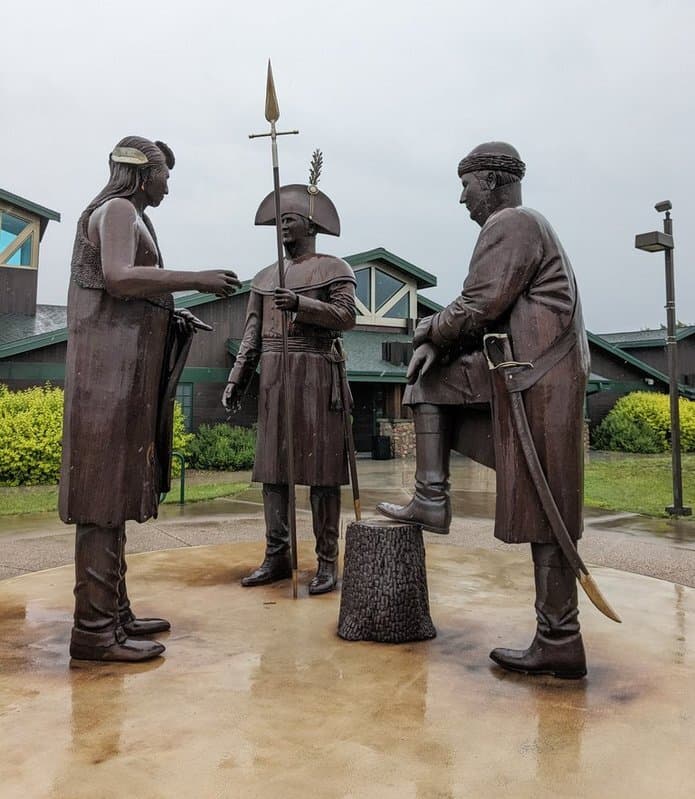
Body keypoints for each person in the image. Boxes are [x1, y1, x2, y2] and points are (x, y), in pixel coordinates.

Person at [377, 141, 590, 679]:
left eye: (466, 185)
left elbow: (479, 304)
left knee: (549, 505)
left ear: (492, 180)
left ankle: (432, 500)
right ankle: (558, 637)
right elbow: (493, 312)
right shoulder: (525, 227)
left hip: (536, 381)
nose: (462, 199)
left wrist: (426, 333)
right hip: (531, 377)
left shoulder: (512, 224)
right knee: (549, 506)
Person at [60, 135, 239, 662]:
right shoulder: (116, 210)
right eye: (163, 174)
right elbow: (117, 278)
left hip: (122, 378)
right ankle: (93, 630)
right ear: (141, 175)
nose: (167, 184)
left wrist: (170, 311)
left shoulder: (131, 215)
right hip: (106, 383)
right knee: (101, 500)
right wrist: (195, 280)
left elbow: (129, 289)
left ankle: (113, 610)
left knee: (113, 495)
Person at [223, 180, 356, 595]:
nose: (283, 227)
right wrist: (237, 378)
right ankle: (277, 555)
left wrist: (302, 305)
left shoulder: (334, 268)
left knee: (321, 474)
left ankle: (327, 561)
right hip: (275, 379)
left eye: (290, 220)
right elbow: (252, 335)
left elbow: (347, 316)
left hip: (316, 376)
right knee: (274, 473)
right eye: (278, 221)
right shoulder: (264, 278)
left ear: (310, 225)